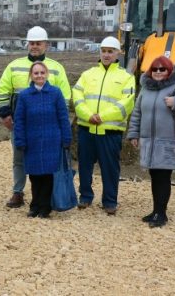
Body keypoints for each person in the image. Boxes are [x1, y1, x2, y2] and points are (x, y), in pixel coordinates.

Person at [0, 26, 70, 208]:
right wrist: (5, 115)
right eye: (32, 43)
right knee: (19, 158)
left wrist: (63, 125)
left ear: (46, 45)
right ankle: (18, 192)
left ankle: (45, 197)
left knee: (47, 159)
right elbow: (3, 90)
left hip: (48, 126)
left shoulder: (57, 68)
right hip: (21, 124)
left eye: (38, 43)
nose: (35, 46)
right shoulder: (14, 66)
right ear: (27, 44)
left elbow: (65, 97)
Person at [127, 56, 175, 228]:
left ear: (169, 71)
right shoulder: (145, 89)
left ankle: (161, 214)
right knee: (155, 176)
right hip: (149, 141)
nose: (158, 72)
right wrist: (133, 134)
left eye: (162, 69)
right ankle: (156, 210)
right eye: (155, 69)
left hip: (168, 142)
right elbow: (137, 113)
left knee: (163, 177)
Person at [72, 36, 135, 215]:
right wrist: (88, 115)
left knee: (110, 168)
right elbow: (77, 97)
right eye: (104, 51)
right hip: (87, 128)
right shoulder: (88, 74)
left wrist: (102, 116)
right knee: (84, 165)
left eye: (110, 51)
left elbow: (126, 103)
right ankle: (85, 196)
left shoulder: (125, 77)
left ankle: (110, 201)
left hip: (110, 131)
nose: (106, 55)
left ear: (118, 53)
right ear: (100, 52)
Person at [13, 62, 72, 218]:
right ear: (31, 76)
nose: (39, 76)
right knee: (34, 175)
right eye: (36, 73)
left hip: (52, 140)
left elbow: (63, 118)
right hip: (32, 142)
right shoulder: (24, 95)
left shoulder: (56, 93)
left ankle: (45, 207)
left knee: (48, 175)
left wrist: (66, 138)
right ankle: (35, 205)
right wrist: (20, 140)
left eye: (42, 73)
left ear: (46, 74)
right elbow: (19, 120)